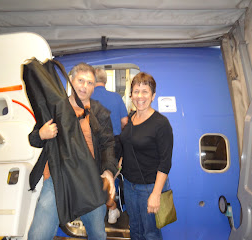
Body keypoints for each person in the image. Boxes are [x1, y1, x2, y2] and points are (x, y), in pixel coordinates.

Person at [28, 63, 117, 240]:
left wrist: (108, 171)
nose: (84, 86)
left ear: (94, 86)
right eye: (80, 80)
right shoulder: (54, 108)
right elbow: (33, 139)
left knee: (97, 234)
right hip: (57, 180)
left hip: (90, 179)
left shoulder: (99, 112)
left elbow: (108, 144)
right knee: (38, 235)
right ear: (71, 81)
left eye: (90, 83)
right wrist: (42, 133)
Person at [119, 72, 173, 240]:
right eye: (136, 91)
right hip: (129, 185)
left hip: (149, 187)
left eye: (145, 91)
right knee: (134, 228)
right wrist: (113, 171)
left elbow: (165, 162)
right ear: (131, 95)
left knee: (150, 233)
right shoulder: (130, 118)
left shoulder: (161, 123)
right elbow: (127, 149)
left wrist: (156, 194)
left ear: (153, 96)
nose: (140, 96)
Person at [92, 67, 128, 224]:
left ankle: (100, 210)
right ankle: (113, 209)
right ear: (105, 80)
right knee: (112, 176)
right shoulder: (116, 98)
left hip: (93, 144)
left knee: (95, 176)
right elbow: (125, 122)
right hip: (114, 143)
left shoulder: (87, 97)